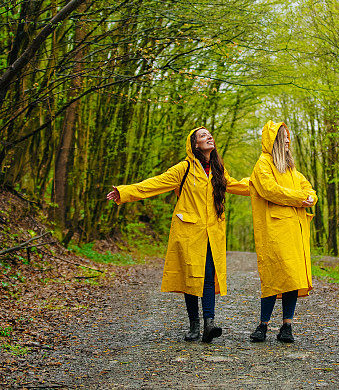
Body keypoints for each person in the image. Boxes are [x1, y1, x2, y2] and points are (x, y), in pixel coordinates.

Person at [106, 127, 249, 343]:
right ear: (194, 145)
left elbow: (238, 185)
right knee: (191, 278)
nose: (209, 137)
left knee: (208, 276)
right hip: (189, 231)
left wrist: (263, 186)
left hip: (212, 232)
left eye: (209, 134)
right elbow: (156, 183)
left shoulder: (219, 169)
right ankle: (194, 325)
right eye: (203, 136)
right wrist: (125, 192)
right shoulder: (184, 168)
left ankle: (209, 324)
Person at [248, 120, 317, 343]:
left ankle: (287, 326)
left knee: (292, 278)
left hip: (295, 229)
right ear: (275, 140)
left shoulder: (291, 168)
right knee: (273, 275)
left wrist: (311, 197)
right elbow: (271, 191)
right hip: (274, 230)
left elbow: (308, 188)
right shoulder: (263, 164)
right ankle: (263, 325)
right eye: (284, 137)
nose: (288, 140)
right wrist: (299, 198)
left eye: (289, 137)